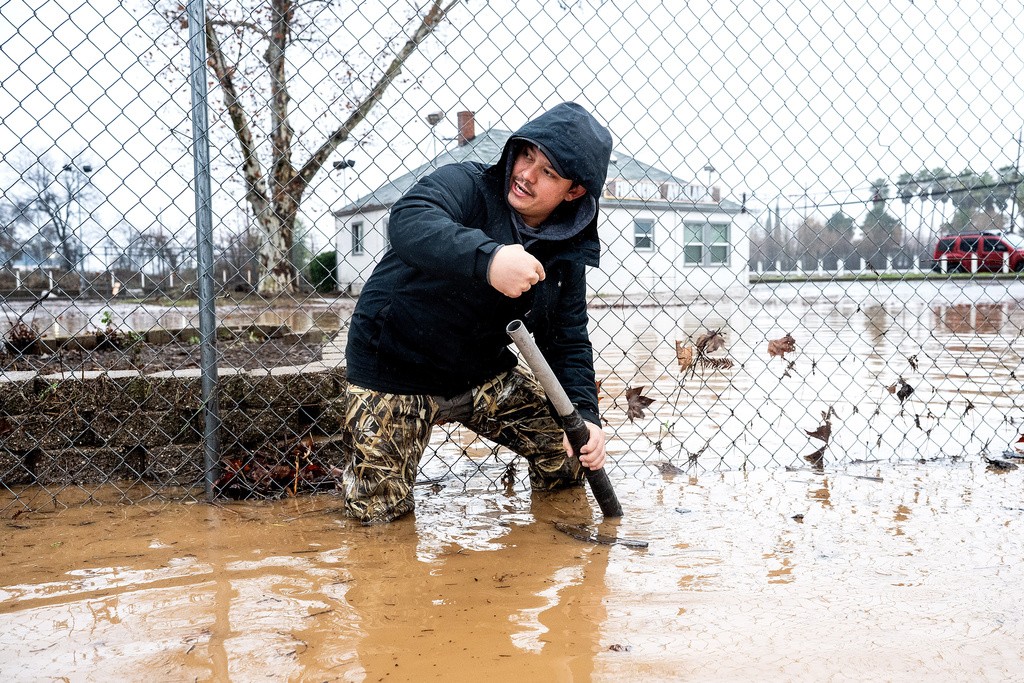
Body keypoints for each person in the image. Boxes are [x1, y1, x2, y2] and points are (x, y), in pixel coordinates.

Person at [342, 102, 613, 524]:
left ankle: (543, 554)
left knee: (568, 457)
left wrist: (586, 415)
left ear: (574, 191)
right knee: (378, 523)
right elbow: (409, 220)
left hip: (482, 373)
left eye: (548, 172)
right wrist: (490, 260)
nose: (525, 174)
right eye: (527, 155)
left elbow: (568, 339)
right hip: (395, 367)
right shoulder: (466, 183)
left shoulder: (566, 252)